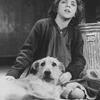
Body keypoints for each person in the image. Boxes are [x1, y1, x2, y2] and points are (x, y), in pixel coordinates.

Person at [5, 0, 86, 84]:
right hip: (39, 79)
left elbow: (79, 60)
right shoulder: (42, 25)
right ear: (56, 8)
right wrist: (13, 73)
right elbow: (27, 51)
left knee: (77, 93)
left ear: (75, 13)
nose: (68, 5)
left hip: (63, 80)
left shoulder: (76, 33)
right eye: (64, 2)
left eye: (72, 4)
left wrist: (70, 74)